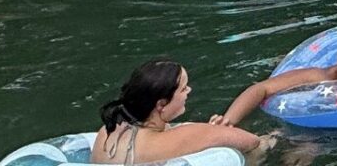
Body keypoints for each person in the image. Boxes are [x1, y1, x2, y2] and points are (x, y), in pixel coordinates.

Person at [91, 59, 265, 164]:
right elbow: (252, 141)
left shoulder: (107, 131)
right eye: (183, 89)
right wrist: (212, 133)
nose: (189, 90)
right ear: (161, 105)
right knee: (266, 142)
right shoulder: (185, 135)